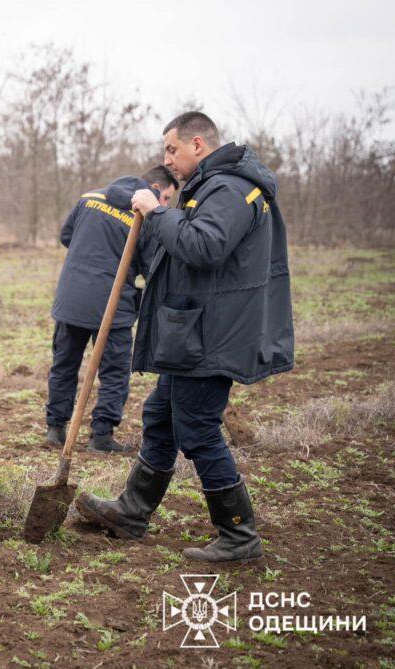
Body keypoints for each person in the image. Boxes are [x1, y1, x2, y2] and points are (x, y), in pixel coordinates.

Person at [75, 111, 294, 562]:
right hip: (195, 330)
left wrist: (157, 212)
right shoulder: (212, 186)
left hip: (215, 334)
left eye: (172, 149)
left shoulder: (231, 189)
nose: (166, 159)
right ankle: (132, 512)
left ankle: (239, 535)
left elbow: (204, 246)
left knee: (196, 428)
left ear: (199, 143)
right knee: (160, 415)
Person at [46, 166, 178, 453]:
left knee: (63, 365)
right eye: (166, 197)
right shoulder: (143, 216)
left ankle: (54, 429)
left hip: (71, 299)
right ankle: (101, 436)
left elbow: (67, 236)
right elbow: (149, 264)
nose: (165, 205)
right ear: (154, 187)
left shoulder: (88, 198)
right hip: (112, 305)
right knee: (115, 371)